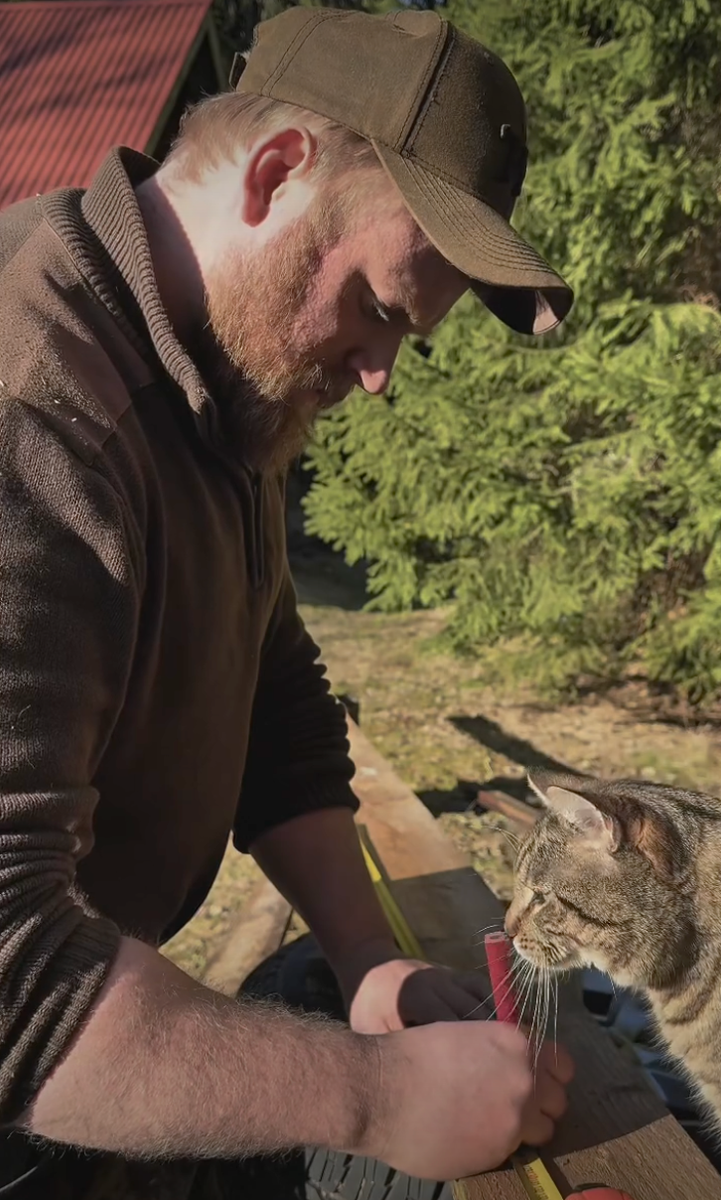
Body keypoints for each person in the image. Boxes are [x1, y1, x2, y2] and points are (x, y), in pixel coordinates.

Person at [0, 6, 575, 1197]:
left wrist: (368, 961)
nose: (376, 377)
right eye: (376, 309)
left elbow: (276, 708)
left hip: (97, 1058)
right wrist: (375, 1097)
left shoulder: (223, 382)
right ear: (273, 174)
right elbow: (14, 988)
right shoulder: (35, 407)